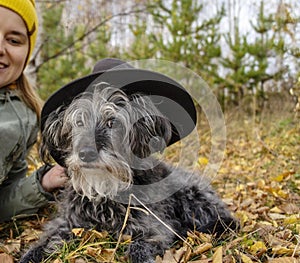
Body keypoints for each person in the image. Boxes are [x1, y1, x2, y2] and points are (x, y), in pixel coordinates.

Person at [0, 0, 68, 222]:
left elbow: (4, 200)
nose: (0, 48)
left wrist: (42, 183)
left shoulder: (23, 118)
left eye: (13, 40)